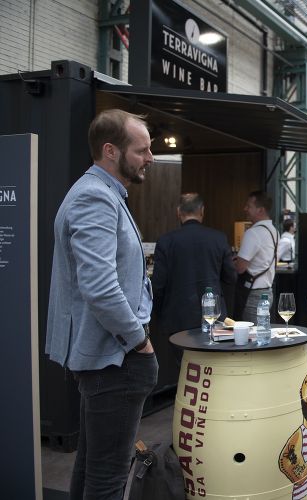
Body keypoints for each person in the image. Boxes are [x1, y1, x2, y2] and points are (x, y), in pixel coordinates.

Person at [45, 109, 158, 498]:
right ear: (110, 150)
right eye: (142, 150)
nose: (150, 158)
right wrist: (138, 341)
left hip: (110, 358)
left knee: (92, 468)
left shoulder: (101, 193)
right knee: (108, 477)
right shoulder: (95, 196)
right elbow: (100, 287)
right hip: (115, 358)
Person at [151, 193, 236, 335]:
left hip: (176, 316)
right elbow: (231, 277)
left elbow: (158, 285)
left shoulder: (166, 241)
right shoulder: (218, 238)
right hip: (212, 314)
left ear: (178, 212)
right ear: (202, 211)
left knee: (179, 350)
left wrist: (159, 314)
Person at [233, 191, 277, 322]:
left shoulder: (253, 233)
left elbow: (240, 268)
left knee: (251, 332)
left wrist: (231, 261)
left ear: (260, 210)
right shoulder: (274, 231)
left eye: (249, 206)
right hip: (267, 292)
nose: (245, 209)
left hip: (252, 294)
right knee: (261, 330)